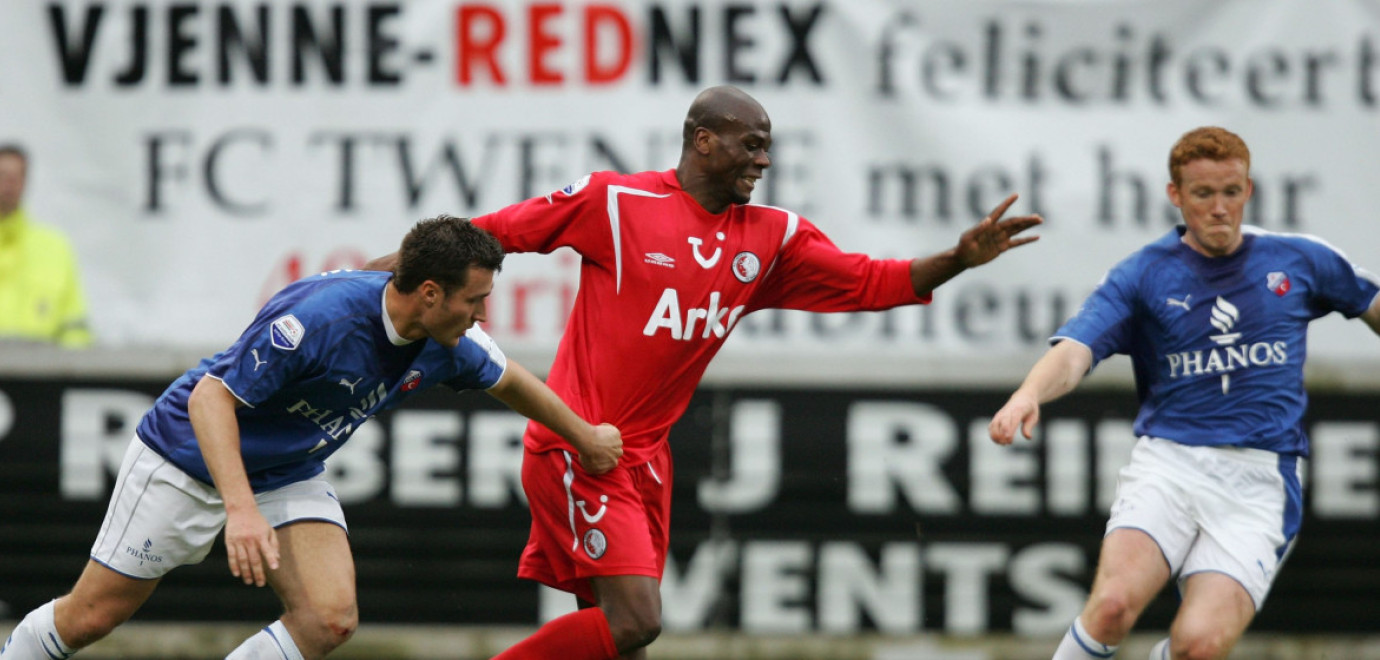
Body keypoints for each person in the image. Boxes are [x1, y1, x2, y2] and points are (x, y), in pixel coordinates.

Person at [370, 85, 1042, 659]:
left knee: (621, 642)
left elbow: (873, 281)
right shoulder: (615, 203)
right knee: (638, 620)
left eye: (767, 145)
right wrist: (360, 286)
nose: (764, 159)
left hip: (646, 462)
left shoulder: (773, 238)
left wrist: (957, 256)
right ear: (702, 142)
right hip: (581, 443)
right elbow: (480, 236)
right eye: (750, 144)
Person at [0, 216, 623, 660]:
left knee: (329, 619)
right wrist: (240, 512)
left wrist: (586, 438)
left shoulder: (447, 340)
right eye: (476, 300)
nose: (483, 315)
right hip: (189, 454)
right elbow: (210, 397)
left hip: (287, 468)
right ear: (430, 294)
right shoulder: (318, 319)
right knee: (90, 619)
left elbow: (512, 381)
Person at [988, 127, 1380, 660]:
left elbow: (1371, 303)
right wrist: (1028, 393)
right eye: (1203, 194)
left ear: (1249, 189)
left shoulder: (1301, 261)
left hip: (1259, 482)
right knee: (1112, 607)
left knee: (1198, 645)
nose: (1219, 208)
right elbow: (1076, 350)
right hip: (1169, 465)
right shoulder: (1143, 275)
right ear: (1176, 195)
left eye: (1231, 192)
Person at [0, 143, 91, 347]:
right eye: (3, 175)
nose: (9, 184)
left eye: (17, 177)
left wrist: (69, 369)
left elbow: (74, 326)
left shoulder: (54, 247)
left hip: (41, 373)